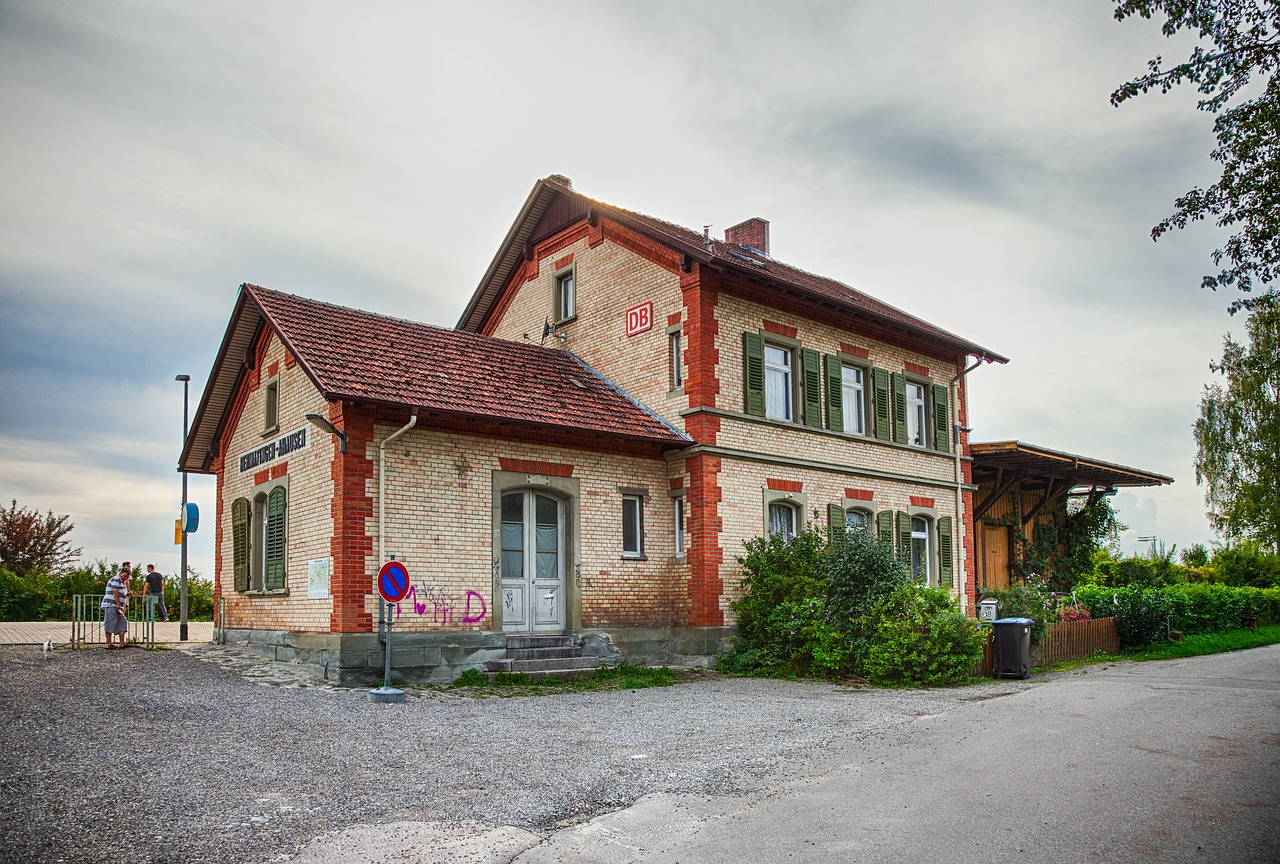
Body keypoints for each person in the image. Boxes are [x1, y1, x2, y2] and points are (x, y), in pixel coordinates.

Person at [102, 562, 130, 649]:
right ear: (121, 573)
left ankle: (122, 642)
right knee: (110, 623)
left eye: (126, 577)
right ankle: (109, 644)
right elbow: (115, 592)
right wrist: (118, 603)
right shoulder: (115, 579)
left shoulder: (122, 582)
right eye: (124, 576)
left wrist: (127, 593)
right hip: (111, 605)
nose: (125, 578)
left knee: (122, 622)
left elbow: (122, 593)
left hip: (118, 607)